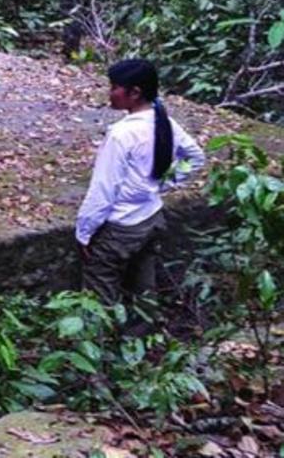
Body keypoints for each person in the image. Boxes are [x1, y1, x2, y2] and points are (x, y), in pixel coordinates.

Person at [76, 59, 205, 308]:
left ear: (134, 92)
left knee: (99, 288)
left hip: (123, 225)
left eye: (115, 87)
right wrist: (161, 185)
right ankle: (141, 336)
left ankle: (99, 340)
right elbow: (195, 157)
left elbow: (104, 190)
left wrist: (84, 232)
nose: (110, 93)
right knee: (143, 285)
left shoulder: (121, 134)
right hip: (151, 216)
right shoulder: (164, 122)